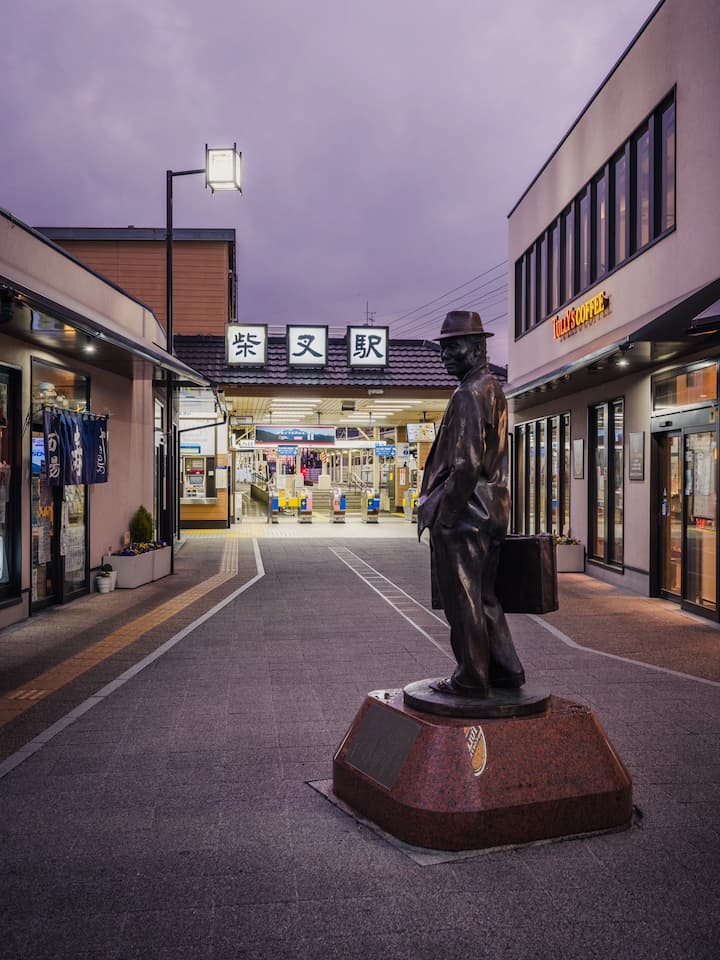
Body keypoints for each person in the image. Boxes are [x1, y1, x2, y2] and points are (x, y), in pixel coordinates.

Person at [417, 310, 525, 698]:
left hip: (466, 515)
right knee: (485, 596)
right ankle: (506, 668)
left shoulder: (468, 393)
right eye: (443, 348)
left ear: (477, 347)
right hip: (491, 511)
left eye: (453, 346)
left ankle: (471, 675)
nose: (445, 355)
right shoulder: (492, 388)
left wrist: (445, 516)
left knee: (462, 599)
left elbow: (465, 464)